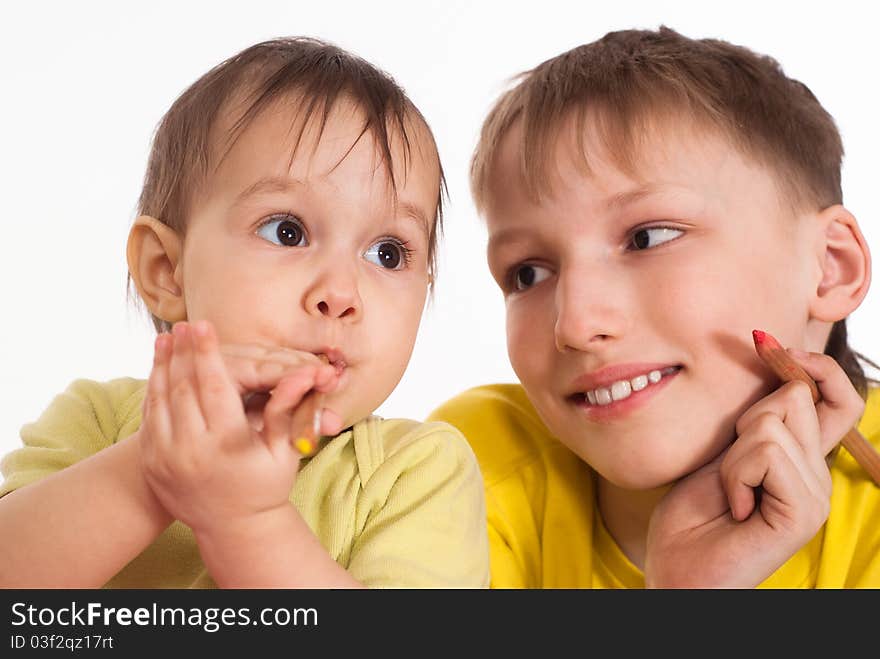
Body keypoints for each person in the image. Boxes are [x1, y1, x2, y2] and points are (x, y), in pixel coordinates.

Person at [0, 37, 488, 588]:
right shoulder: (98, 422)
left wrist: (245, 520)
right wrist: (150, 473)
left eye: (388, 253)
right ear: (167, 270)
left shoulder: (416, 472)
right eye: (288, 231)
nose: (341, 293)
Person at [428, 26, 880, 588]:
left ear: (832, 266)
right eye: (528, 273)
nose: (576, 324)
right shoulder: (464, 470)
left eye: (647, 238)